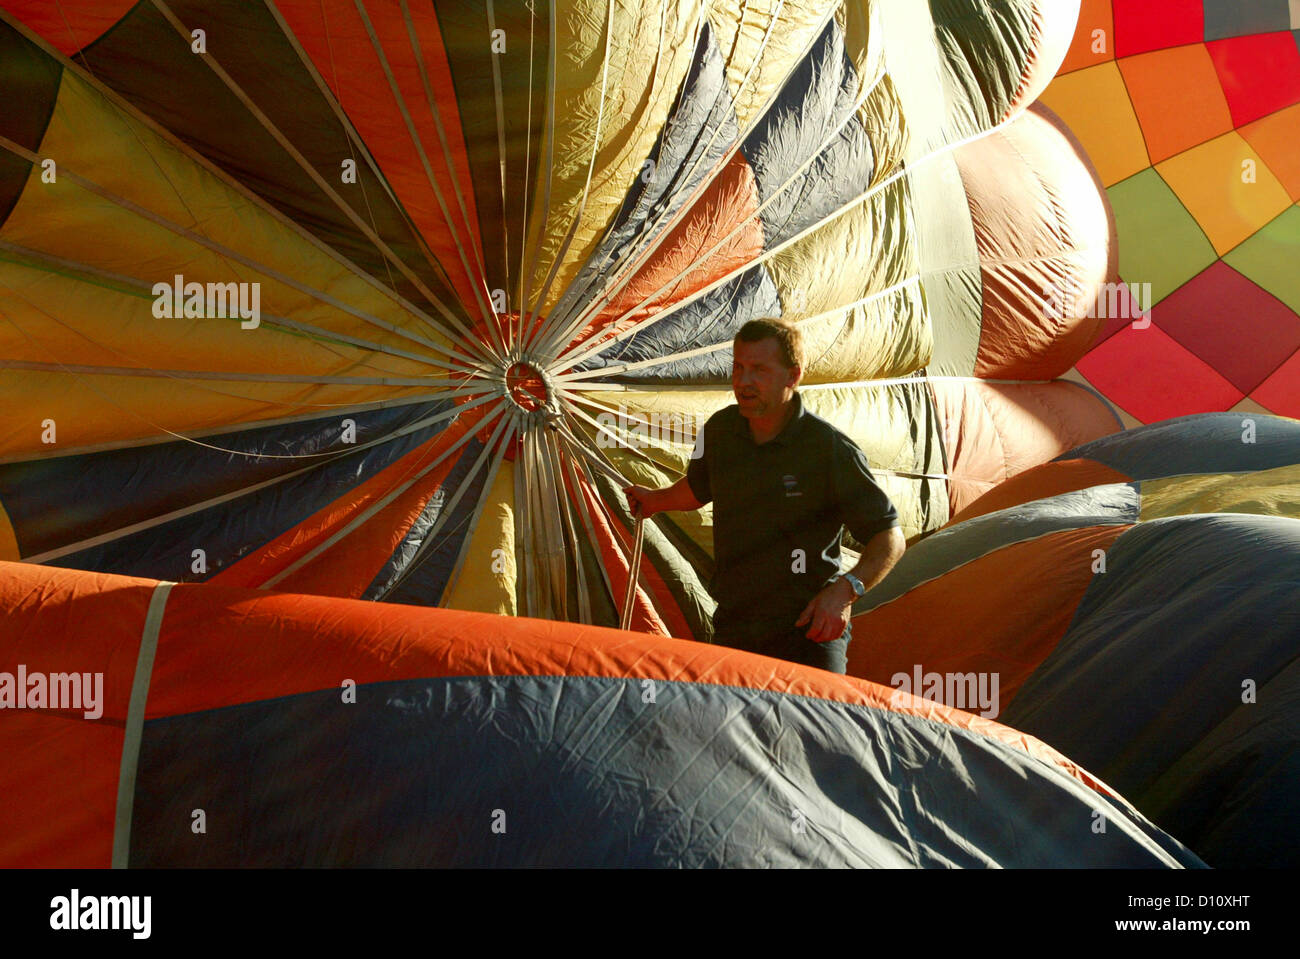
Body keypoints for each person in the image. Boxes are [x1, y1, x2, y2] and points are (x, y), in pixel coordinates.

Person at [624, 318, 905, 673]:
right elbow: (696, 490)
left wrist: (845, 590)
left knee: (817, 726)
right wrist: (654, 500)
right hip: (736, 626)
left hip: (808, 629)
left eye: (759, 370)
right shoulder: (719, 429)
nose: (743, 382)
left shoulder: (829, 450)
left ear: (793, 376)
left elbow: (890, 537)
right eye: (738, 368)